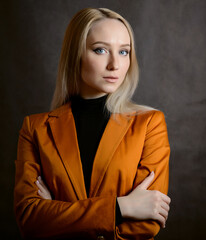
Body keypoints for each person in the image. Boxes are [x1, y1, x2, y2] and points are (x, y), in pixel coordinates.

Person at [14, 7, 170, 240]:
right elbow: (29, 219)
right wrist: (121, 208)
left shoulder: (149, 124)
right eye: (100, 50)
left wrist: (58, 216)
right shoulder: (35, 128)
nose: (114, 65)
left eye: (124, 52)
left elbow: (146, 226)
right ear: (75, 54)